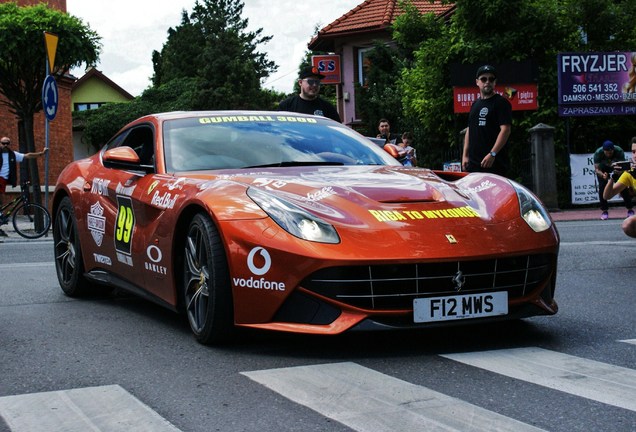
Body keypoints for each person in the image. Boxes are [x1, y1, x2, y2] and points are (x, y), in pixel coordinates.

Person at [462, 64, 512, 177]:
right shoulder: (475, 104)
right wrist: (465, 155)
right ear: (477, 82)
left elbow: (506, 130)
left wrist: (492, 154)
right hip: (473, 165)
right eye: (484, 79)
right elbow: (470, 130)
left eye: (491, 79)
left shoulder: (501, 103)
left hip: (494, 165)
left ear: (495, 82)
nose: (487, 82)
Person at [0, 136, 48, 236]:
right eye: (3, 143)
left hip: (3, 181)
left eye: (7, 143)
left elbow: (27, 156)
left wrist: (41, 154)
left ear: (9, 144)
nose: (5, 145)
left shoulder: (12, 155)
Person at [603, 137, 636, 237]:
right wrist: (613, 177)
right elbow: (607, 196)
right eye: (633, 152)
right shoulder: (630, 173)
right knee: (628, 225)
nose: (635, 155)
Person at [593, 139, 633, 220]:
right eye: (607, 153)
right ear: (603, 151)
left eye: (610, 153)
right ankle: (604, 211)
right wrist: (602, 175)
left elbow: (623, 167)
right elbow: (597, 169)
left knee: (623, 188)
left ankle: (630, 209)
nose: (608, 155)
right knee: (602, 188)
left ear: (613, 150)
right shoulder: (598, 153)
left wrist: (618, 173)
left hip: (616, 168)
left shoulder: (619, 151)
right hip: (603, 169)